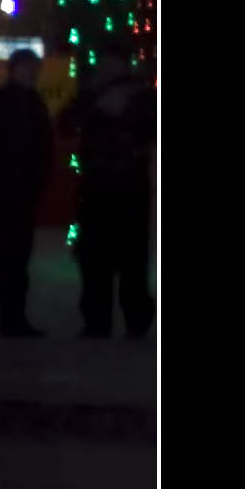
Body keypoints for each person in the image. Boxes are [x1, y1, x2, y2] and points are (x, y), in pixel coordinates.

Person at [0, 46, 56, 339]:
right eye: (27, 68)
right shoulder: (2, 103)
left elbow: (43, 148)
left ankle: (7, 319)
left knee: (12, 262)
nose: (31, 73)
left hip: (14, 194)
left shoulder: (28, 103)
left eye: (34, 68)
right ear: (14, 70)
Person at [65, 59, 155, 340]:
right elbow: (67, 124)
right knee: (100, 261)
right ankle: (105, 321)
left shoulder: (141, 103)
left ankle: (127, 320)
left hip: (123, 191)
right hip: (102, 191)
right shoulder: (94, 102)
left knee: (127, 262)